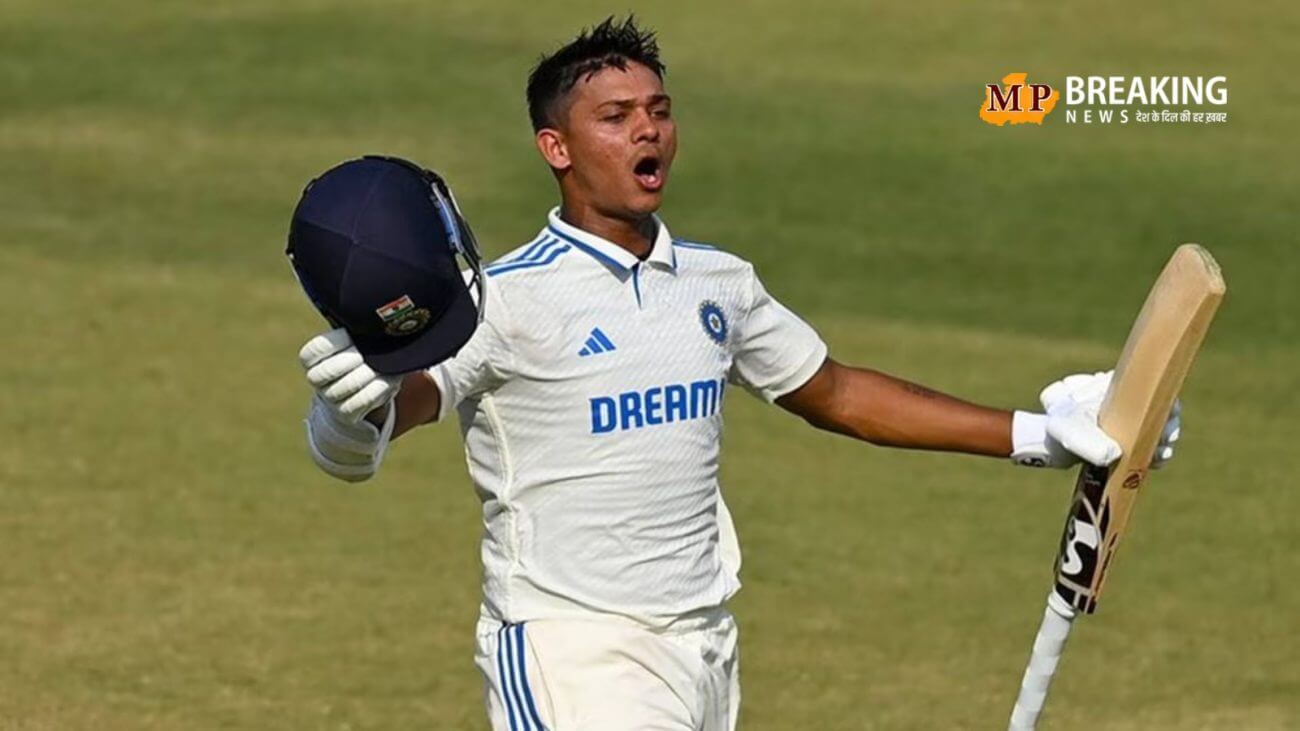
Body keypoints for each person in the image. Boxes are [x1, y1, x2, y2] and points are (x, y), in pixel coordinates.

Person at [295, 17, 1180, 731]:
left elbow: (836, 393)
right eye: (616, 116)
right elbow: (396, 411)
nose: (648, 129)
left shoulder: (718, 282)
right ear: (556, 147)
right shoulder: (504, 299)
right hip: (573, 652)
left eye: (659, 109)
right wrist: (346, 415)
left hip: (706, 647)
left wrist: (1040, 435)